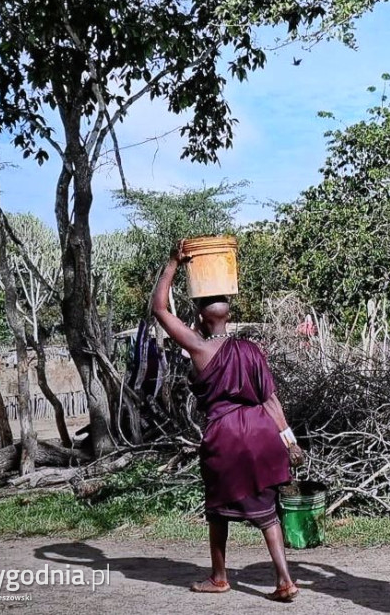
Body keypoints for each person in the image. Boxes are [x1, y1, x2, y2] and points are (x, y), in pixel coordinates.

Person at [152, 241, 304, 602]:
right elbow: (270, 398)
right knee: (267, 511)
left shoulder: (201, 349)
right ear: (229, 316)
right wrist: (290, 440)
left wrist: (173, 262)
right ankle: (285, 579)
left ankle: (220, 577)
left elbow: (158, 309)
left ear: (202, 318)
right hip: (264, 434)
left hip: (226, 437)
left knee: (217, 508)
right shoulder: (251, 349)